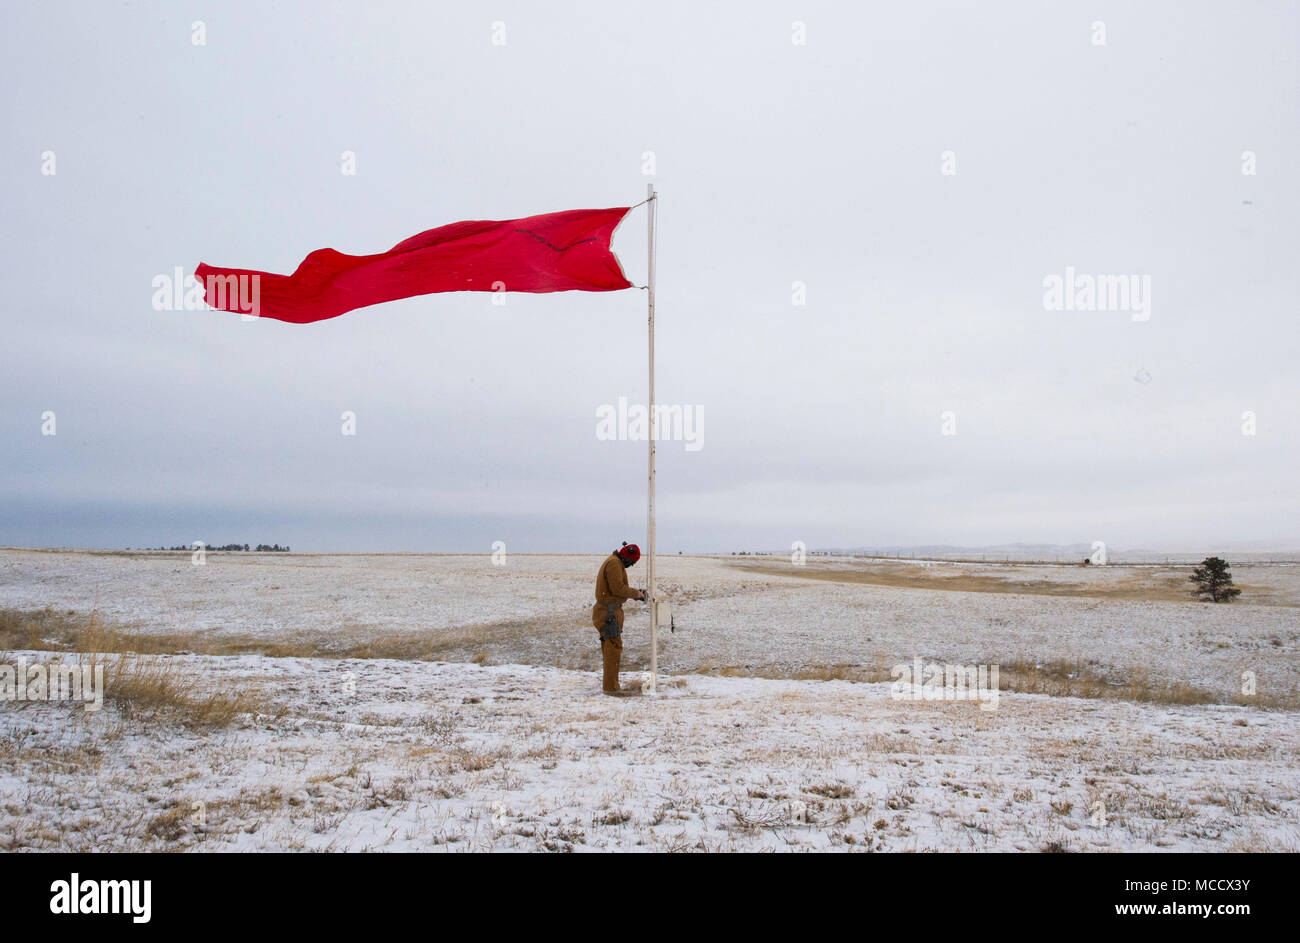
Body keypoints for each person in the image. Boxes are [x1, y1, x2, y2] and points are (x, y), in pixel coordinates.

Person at [591, 542, 646, 695]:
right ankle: (611, 689)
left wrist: (634, 595)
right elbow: (618, 588)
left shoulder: (614, 561)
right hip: (608, 613)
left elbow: (616, 590)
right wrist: (636, 594)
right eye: (632, 563)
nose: (631, 566)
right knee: (613, 650)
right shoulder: (614, 564)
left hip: (608, 611)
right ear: (627, 557)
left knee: (611, 649)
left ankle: (611, 685)